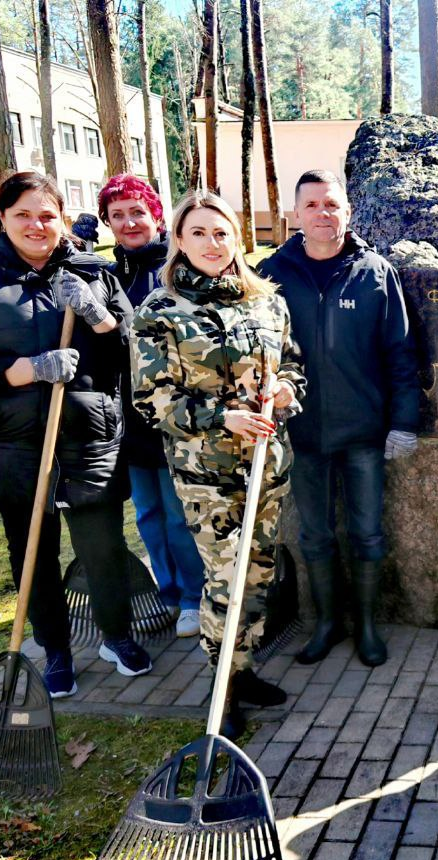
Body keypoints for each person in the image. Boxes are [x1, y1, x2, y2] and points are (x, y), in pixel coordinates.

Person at [0, 171, 153, 698]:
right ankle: (54, 647)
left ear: (62, 218)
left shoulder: (93, 273)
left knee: (102, 545)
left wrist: (98, 316)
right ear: (2, 220)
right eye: (23, 215)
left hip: (88, 433)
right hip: (13, 441)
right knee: (31, 551)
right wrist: (27, 370)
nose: (37, 225)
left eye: (47, 215)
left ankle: (117, 637)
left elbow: (133, 351)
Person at [131, 190, 305, 736]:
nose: (212, 243)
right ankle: (221, 688)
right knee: (225, 580)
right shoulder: (160, 311)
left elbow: (293, 366)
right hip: (207, 472)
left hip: (267, 465)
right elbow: (151, 399)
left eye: (222, 232)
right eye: (199, 233)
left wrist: (284, 393)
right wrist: (220, 417)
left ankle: (244, 666)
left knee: (258, 575)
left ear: (237, 237)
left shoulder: (266, 301)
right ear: (178, 240)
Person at [258, 170, 420, 669]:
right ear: (296, 214)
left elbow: (401, 352)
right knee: (315, 535)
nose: (322, 214)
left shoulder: (375, 273)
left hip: (364, 434)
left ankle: (367, 626)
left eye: (331, 205)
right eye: (312, 206)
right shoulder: (270, 275)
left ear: (347, 212)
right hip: (301, 433)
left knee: (367, 532)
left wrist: (404, 421)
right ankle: (326, 624)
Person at [99, 174, 204, 640]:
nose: (129, 222)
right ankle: (165, 589)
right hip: (127, 414)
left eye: (137, 212)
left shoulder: (176, 267)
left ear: (156, 215)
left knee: (179, 512)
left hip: (173, 410)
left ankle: (193, 596)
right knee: (147, 513)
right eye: (117, 215)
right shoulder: (106, 273)